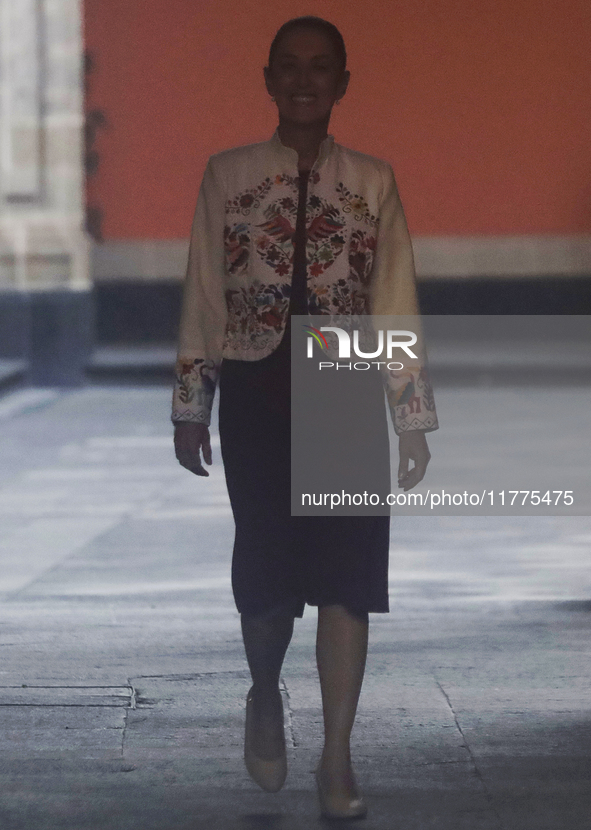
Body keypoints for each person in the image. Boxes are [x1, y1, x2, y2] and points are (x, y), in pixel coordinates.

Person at [172, 16, 438, 820]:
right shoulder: (227, 175)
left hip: (344, 385)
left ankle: (337, 757)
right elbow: (203, 293)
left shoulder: (372, 181)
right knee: (267, 581)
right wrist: (193, 402)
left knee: (346, 582)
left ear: (343, 83)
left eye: (320, 68)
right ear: (266, 78)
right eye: (288, 67)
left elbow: (394, 296)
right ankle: (263, 691)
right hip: (257, 389)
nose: (303, 80)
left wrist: (409, 410)